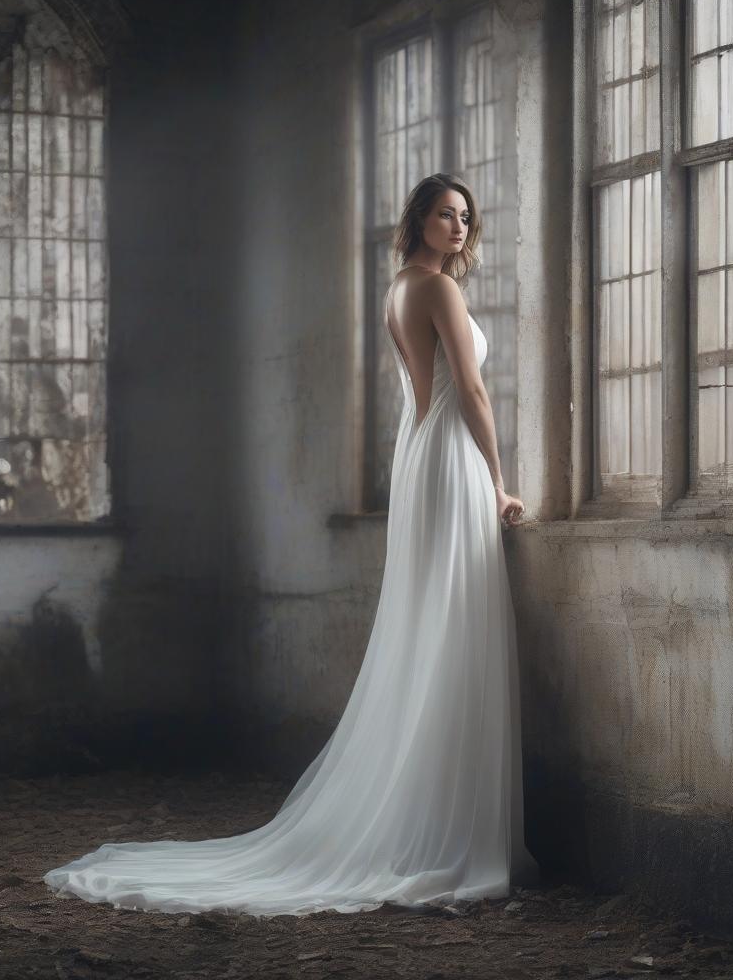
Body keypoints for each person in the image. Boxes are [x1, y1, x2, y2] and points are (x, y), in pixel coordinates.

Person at [42, 172, 539, 916]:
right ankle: (444, 828)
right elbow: (468, 392)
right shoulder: (438, 290)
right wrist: (498, 482)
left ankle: (428, 813)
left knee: (435, 624)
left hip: (420, 454)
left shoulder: (398, 287)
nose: (460, 226)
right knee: (452, 621)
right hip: (451, 454)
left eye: (467, 216)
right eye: (445, 214)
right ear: (420, 220)